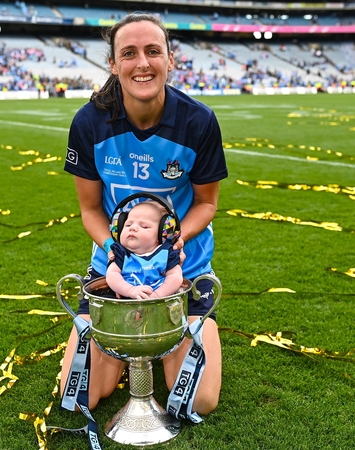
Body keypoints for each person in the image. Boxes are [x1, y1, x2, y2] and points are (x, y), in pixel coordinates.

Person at [61, 12, 227, 417]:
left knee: (198, 401)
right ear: (114, 65)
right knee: (79, 394)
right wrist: (116, 251)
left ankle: (199, 321)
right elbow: (89, 210)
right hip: (113, 268)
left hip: (181, 268)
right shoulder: (89, 122)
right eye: (129, 53)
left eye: (154, 51)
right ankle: (131, 342)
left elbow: (206, 204)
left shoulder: (199, 121)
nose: (142, 63)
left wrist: (173, 244)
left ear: (170, 60)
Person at [105, 200, 183, 300]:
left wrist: (156, 296)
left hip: (160, 302)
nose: (133, 228)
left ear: (162, 234)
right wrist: (130, 290)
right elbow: (112, 275)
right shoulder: (121, 253)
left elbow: (175, 277)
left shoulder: (166, 253)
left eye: (144, 226)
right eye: (128, 225)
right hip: (126, 301)